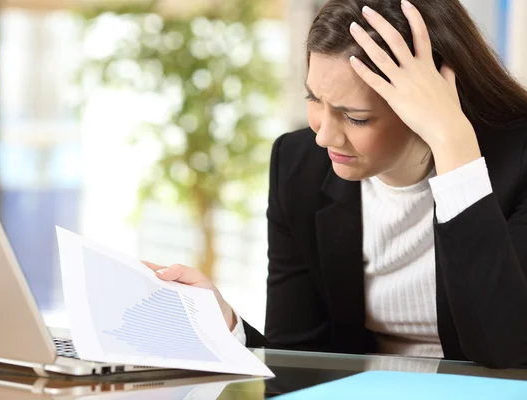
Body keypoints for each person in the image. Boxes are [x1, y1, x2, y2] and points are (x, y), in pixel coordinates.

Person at [143, 0, 527, 369]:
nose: (325, 136)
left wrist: (453, 144)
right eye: (314, 99)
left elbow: (502, 349)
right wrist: (225, 327)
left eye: (355, 117)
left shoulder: (518, 160)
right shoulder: (299, 167)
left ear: (434, 102)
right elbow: (299, 358)